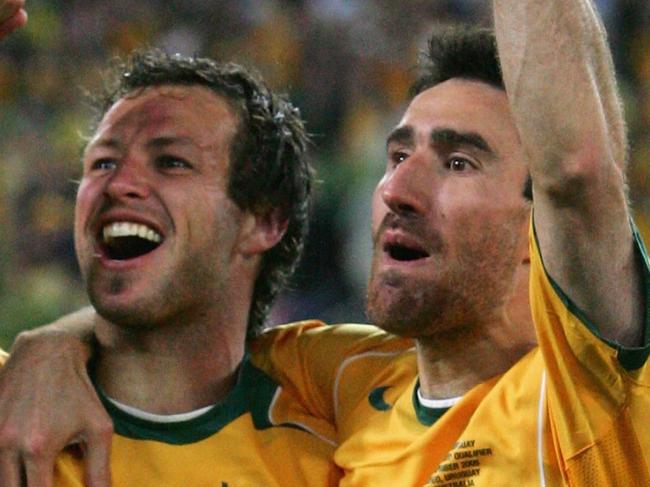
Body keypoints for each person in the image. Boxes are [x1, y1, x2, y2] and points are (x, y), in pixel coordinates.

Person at [1, 0, 649, 485]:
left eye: (458, 163)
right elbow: (193, 317)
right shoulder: (336, 379)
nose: (398, 187)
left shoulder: (580, 397)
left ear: (541, 232)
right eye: (397, 155)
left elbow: (579, 170)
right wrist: (55, 344)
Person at [0, 4, 342, 486]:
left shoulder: (338, 452)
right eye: (101, 163)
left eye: (172, 162)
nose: (119, 184)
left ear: (263, 222)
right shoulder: (10, 404)